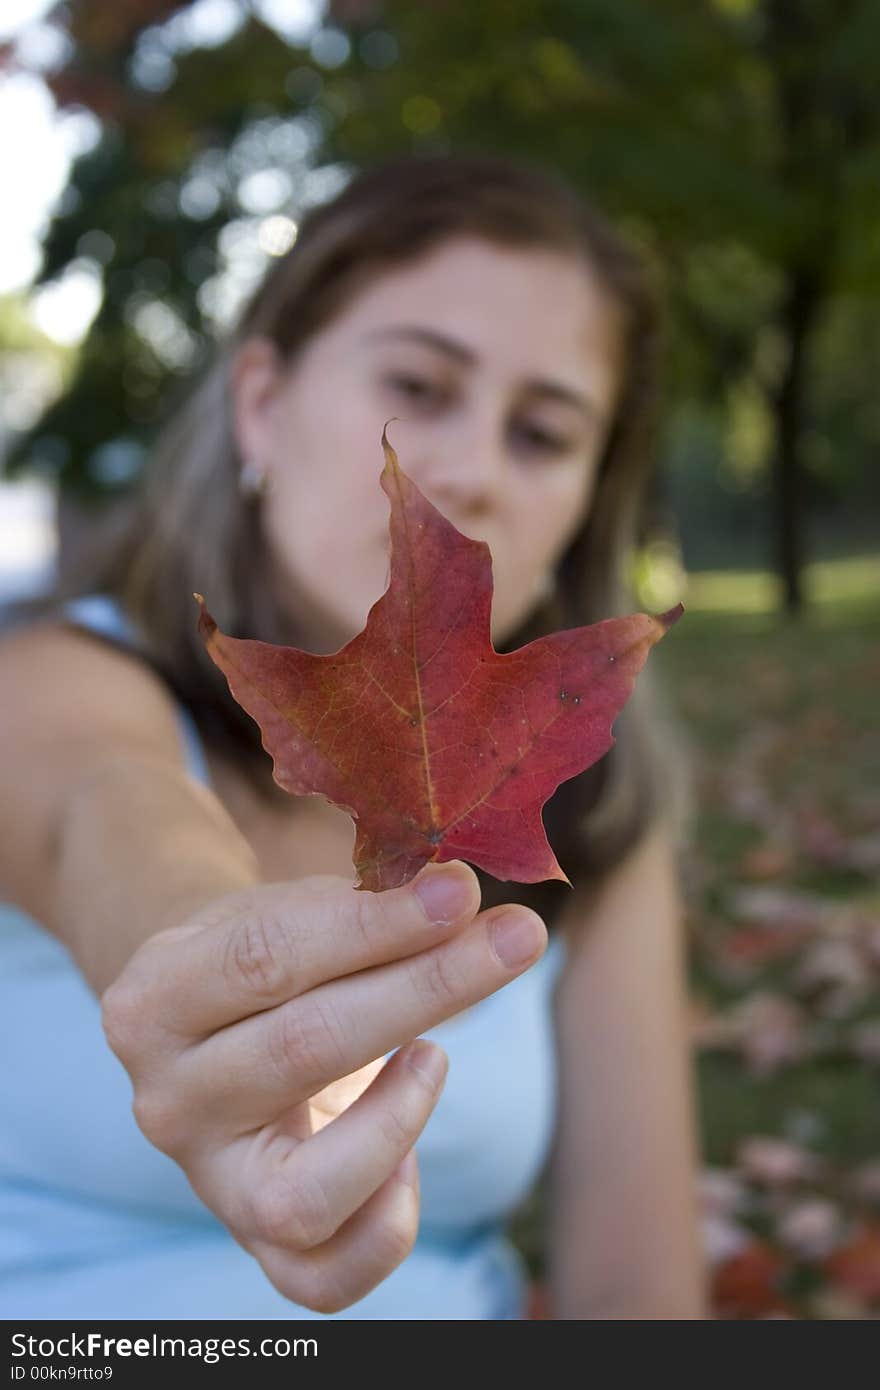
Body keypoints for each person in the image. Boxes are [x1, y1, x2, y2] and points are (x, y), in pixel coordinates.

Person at [0, 150, 708, 1319]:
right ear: (263, 400)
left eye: (541, 433)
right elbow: (107, 818)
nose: (471, 470)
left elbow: (638, 1293)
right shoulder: (52, 682)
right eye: (421, 386)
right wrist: (205, 990)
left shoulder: (596, 801)